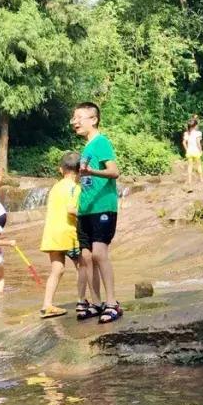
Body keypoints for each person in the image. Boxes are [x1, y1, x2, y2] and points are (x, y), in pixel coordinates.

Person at [71, 102, 122, 323]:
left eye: (79, 117)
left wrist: (91, 170)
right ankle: (96, 302)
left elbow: (114, 171)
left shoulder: (101, 143)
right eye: (74, 118)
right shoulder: (87, 147)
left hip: (103, 207)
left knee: (100, 254)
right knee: (86, 256)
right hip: (85, 210)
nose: (75, 122)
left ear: (93, 119)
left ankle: (112, 303)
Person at [39, 152, 85, 318]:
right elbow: (71, 210)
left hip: (52, 234)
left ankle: (47, 304)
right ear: (80, 171)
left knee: (57, 269)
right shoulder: (75, 188)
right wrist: (86, 214)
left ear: (61, 169)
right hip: (69, 234)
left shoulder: (55, 187)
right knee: (82, 266)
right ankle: (82, 301)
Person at [182, 116, 203, 187]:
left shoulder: (186, 133)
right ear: (195, 126)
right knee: (199, 165)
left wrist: (187, 150)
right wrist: (201, 150)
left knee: (190, 166)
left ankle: (189, 181)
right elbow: (198, 142)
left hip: (189, 152)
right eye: (197, 125)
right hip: (196, 151)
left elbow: (183, 142)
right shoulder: (198, 133)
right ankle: (201, 180)